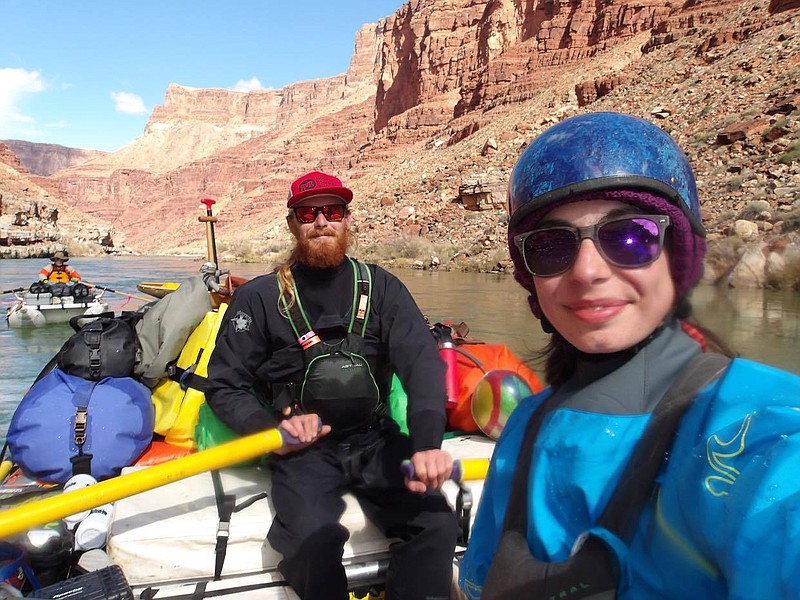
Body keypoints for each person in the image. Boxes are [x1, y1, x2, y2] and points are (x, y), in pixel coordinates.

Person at [458, 112, 800, 599]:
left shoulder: (751, 426)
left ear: (678, 256)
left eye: (630, 235)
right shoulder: (526, 424)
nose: (587, 271)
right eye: (552, 246)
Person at [206, 170, 459, 600]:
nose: (321, 221)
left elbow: (422, 366)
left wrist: (427, 442)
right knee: (312, 540)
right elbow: (225, 385)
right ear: (292, 224)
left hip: (377, 443)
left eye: (332, 211)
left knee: (436, 523)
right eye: (308, 213)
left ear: (346, 220)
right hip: (302, 453)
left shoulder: (383, 288)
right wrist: (271, 435)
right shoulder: (261, 298)